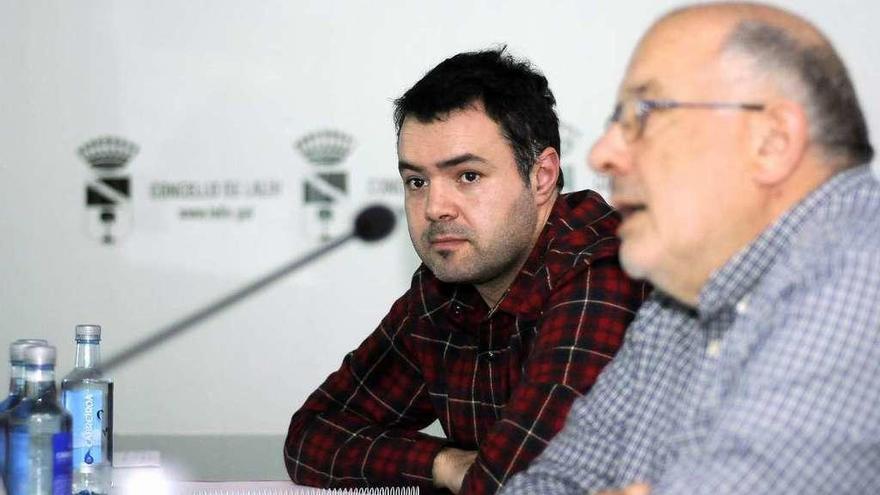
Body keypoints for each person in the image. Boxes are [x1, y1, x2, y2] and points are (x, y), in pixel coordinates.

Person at [502, 3, 878, 495]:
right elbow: (549, 482)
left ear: (772, 141)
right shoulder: (674, 304)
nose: (601, 154)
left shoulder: (862, 274)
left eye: (645, 113)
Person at [284, 48, 647, 494]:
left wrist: (475, 473)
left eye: (468, 177)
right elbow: (311, 438)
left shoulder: (601, 270)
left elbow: (524, 483)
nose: (435, 208)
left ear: (542, 177)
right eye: (417, 181)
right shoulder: (445, 285)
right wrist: (444, 462)